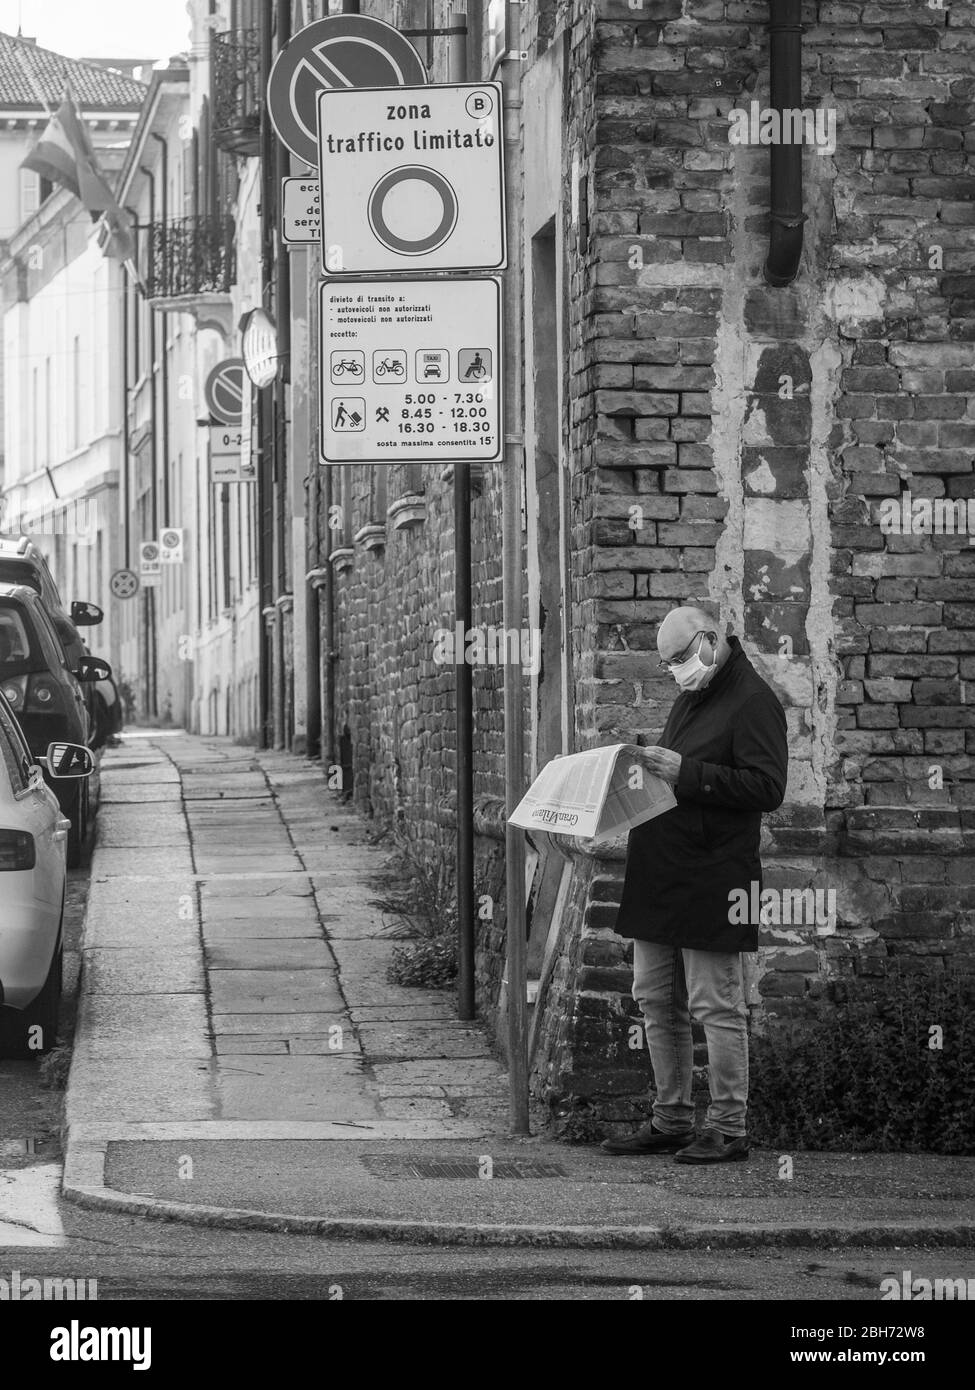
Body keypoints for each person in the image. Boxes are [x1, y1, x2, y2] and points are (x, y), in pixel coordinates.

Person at [604, 605, 788, 1165]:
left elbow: (766, 787)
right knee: (656, 1000)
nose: (675, 672)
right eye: (667, 666)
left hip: (715, 876)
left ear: (709, 640)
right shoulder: (695, 691)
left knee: (716, 1006)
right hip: (661, 872)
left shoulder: (753, 700)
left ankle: (730, 1127)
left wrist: (686, 772)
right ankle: (672, 1119)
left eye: (680, 659)